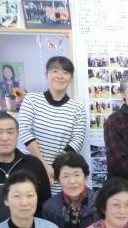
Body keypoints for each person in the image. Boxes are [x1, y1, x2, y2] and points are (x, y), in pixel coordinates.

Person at [19, 56, 86, 193]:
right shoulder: (31, 100)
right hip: (31, 168)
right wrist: (44, 165)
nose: (60, 76)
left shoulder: (77, 108)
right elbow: (25, 132)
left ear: (71, 79)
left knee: (57, 205)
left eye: (65, 72)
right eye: (55, 71)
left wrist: (55, 167)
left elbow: (77, 141)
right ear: (47, 74)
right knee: (30, 201)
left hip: (61, 172)